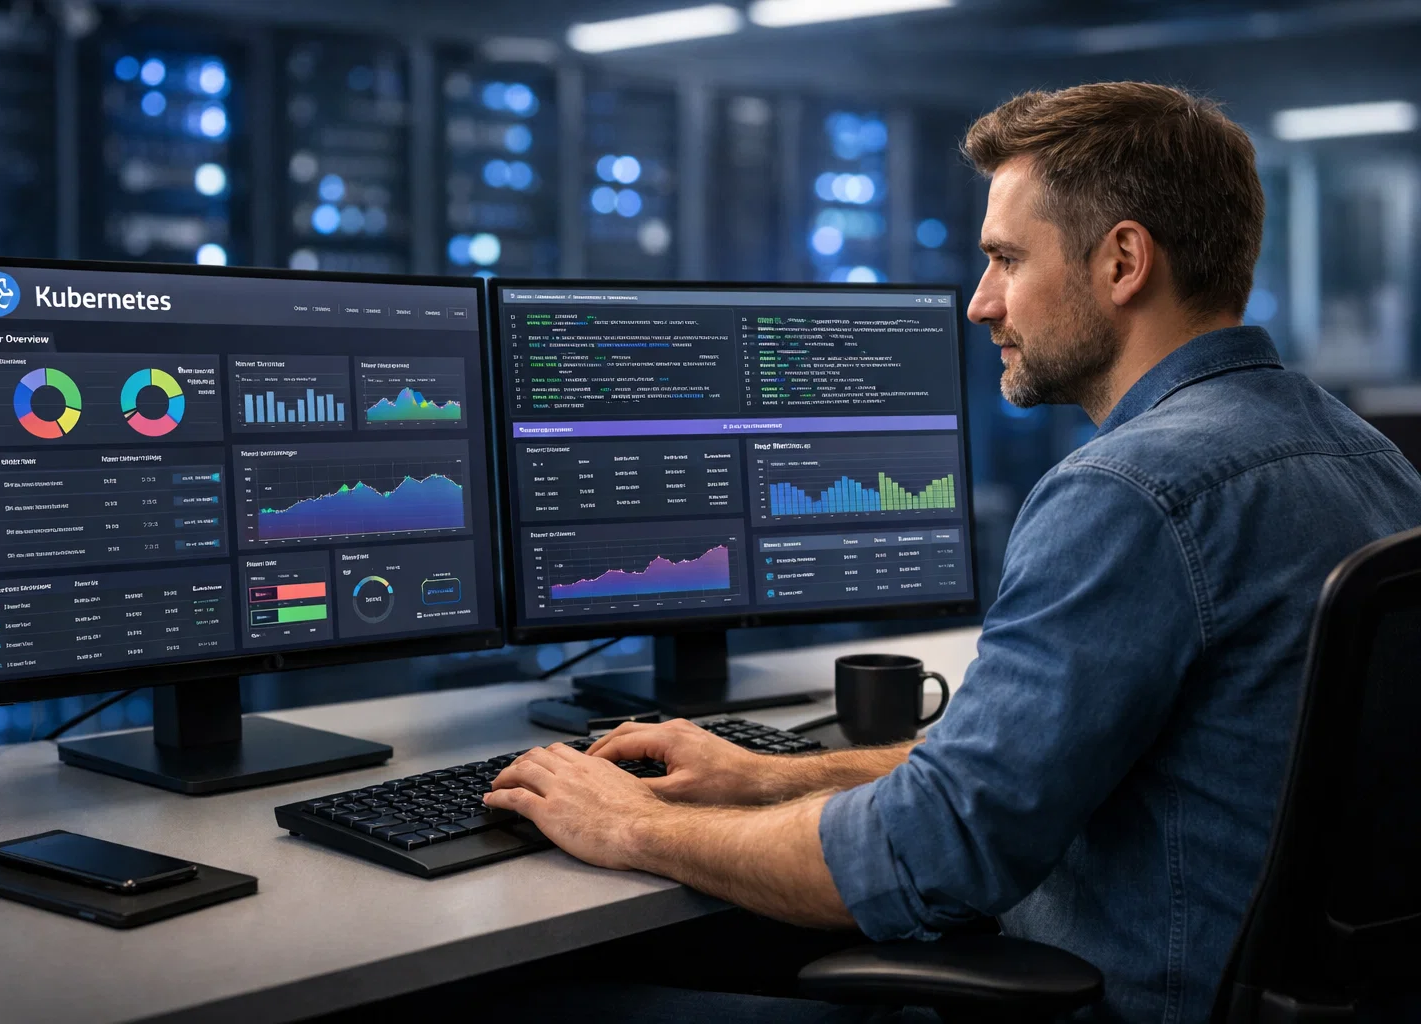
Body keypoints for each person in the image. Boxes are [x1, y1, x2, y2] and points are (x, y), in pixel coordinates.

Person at [482, 82, 1421, 1024]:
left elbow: (933, 851)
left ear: (1123, 262)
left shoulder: (1128, 493)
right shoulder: (1368, 458)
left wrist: (631, 823)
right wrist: (768, 775)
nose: (980, 303)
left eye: (1007, 258)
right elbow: (1006, 774)